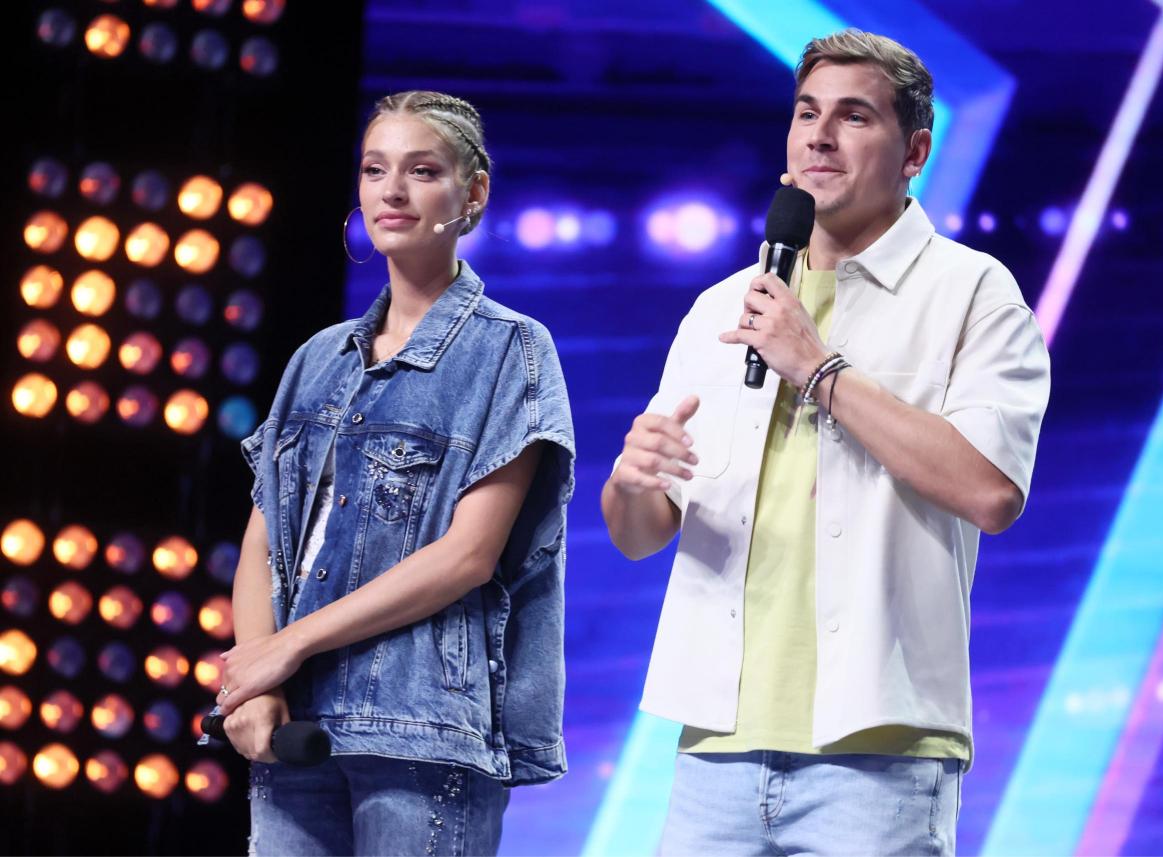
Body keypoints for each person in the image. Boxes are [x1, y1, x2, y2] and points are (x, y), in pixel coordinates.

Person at [601, 29, 1050, 856]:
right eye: (807, 113)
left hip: (879, 757)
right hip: (716, 749)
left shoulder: (971, 292)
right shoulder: (723, 306)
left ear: (915, 152)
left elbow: (991, 490)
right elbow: (638, 534)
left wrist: (818, 368)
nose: (819, 136)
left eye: (853, 117)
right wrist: (631, 482)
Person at [212, 91, 575, 857]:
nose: (393, 191)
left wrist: (289, 644)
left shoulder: (512, 350)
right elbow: (263, 543)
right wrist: (257, 680)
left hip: (421, 734)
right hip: (295, 728)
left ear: (473, 193)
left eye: (422, 171)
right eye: (375, 170)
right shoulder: (317, 358)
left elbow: (468, 556)